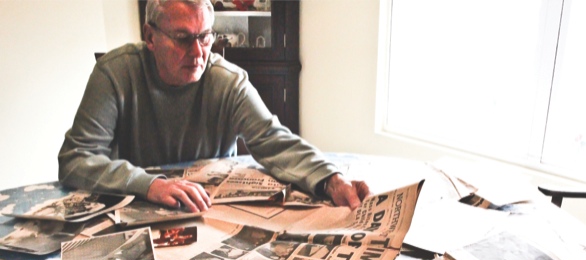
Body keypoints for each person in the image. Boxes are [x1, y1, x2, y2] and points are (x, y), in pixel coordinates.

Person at [58, 0, 370, 213]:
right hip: (141, 211)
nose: (198, 53)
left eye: (205, 36)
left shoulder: (228, 80)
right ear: (150, 37)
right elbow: (75, 160)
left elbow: (274, 140)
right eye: (182, 38)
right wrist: (149, 185)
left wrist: (332, 179)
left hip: (211, 211)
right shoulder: (114, 72)